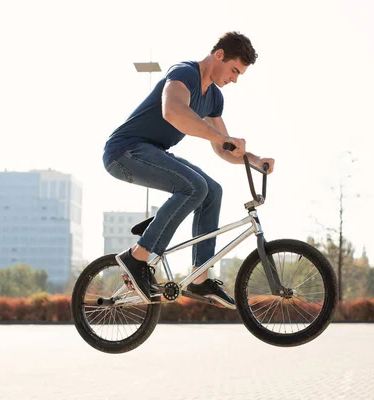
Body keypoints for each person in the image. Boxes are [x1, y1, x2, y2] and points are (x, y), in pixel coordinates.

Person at [102, 31, 275, 309]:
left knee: (212, 191)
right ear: (219, 55)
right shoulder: (185, 73)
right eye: (234, 70)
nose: (234, 79)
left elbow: (223, 148)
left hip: (154, 153)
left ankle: (199, 278)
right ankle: (138, 257)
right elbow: (173, 111)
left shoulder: (214, 98)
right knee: (194, 186)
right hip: (125, 151)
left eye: (239, 74)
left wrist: (254, 160)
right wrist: (222, 139)